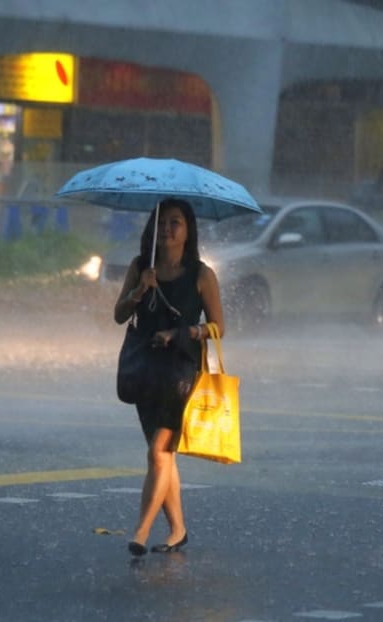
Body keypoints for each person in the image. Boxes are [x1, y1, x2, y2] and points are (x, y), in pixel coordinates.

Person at [114, 198, 225, 557]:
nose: (167, 229)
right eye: (161, 222)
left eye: (175, 223)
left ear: (188, 230)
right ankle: (177, 529)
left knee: (159, 451)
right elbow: (118, 315)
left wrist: (182, 334)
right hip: (145, 370)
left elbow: (219, 327)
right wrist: (139, 290)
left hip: (181, 370)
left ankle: (140, 533)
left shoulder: (202, 274)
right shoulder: (139, 267)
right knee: (162, 455)